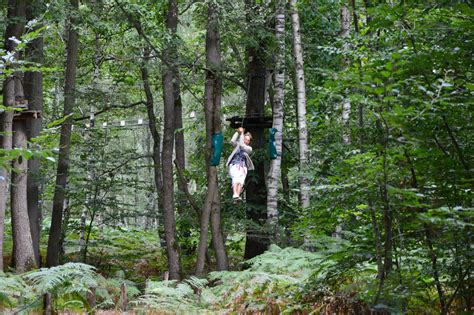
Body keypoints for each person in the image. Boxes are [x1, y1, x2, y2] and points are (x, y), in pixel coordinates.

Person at [226, 127, 254, 202]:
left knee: (241, 181)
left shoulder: (249, 148)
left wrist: (241, 134)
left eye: (248, 140)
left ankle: (237, 196)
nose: (246, 141)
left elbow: (242, 145)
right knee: (235, 178)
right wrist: (238, 132)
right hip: (235, 164)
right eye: (245, 139)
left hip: (243, 167)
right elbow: (232, 141)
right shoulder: (237, 145)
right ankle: (235, 194)